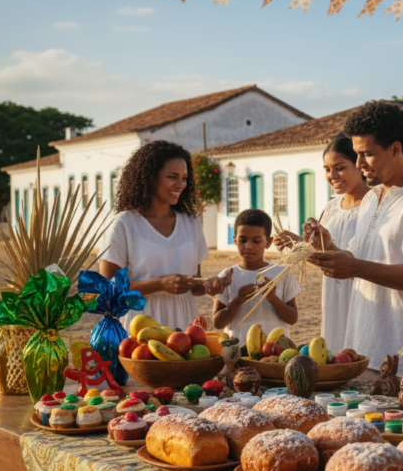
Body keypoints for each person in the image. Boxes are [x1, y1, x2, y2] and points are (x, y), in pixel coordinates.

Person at [304, 101, 403, 374]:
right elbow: (357, 258)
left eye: (367, 154)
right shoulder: (372, 198)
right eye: (357, 154)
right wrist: (328, 247)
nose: (360, 164)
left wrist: (354, 267)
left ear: (395, 149)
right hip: (360, 351)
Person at [99, 140, 226, 331]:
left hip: (184, 325)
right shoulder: (124, 224)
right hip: (139, 324)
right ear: (150, 177)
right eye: (172, 176)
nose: (180, 184)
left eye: (184, 177)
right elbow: (108, 287)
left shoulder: (192, 223)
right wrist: (160, 284)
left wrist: (208, 285)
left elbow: (194, 283)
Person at [276, 134, 373, 354]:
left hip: (364, 292)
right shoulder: (331, 207)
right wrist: (299, 246)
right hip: (334, 296)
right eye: (327, 169)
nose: (332, 176)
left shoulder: (376, 205)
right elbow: (324, 255)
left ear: (359, 165)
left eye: (339, 167)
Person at [213, 209, 300, 343]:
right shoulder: (227, 276)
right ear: (235, 240)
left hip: (274, 349)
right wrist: (238, 301)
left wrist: (272, 298)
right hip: (238, 349)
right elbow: (218, 322)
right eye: (243, 240)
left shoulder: (281, 273)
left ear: (268, 242)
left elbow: (292, 318)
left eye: (256, 241)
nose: (248, 246)